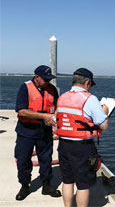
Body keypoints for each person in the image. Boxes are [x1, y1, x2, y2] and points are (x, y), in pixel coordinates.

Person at [55, 68, 109, 207]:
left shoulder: (62, 97)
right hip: (82, 147)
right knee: (83, 184)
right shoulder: (89, 99)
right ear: (87, 82)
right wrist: (105, 112)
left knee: (67, 181)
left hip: (63, 144)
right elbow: (103, 125)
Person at [14, 65, 61, 201]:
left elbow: (57, 106)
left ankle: (47, 185)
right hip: (26, 131)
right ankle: (24, 186)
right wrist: (44, 116)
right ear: (37, 77)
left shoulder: (52, 90)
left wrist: (54, 117)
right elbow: (21, 111)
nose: (48, 82)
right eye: (45, 79)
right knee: (23, 160)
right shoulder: (25, 88)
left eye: (49, 79)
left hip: (44, 131)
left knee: (46, 159)